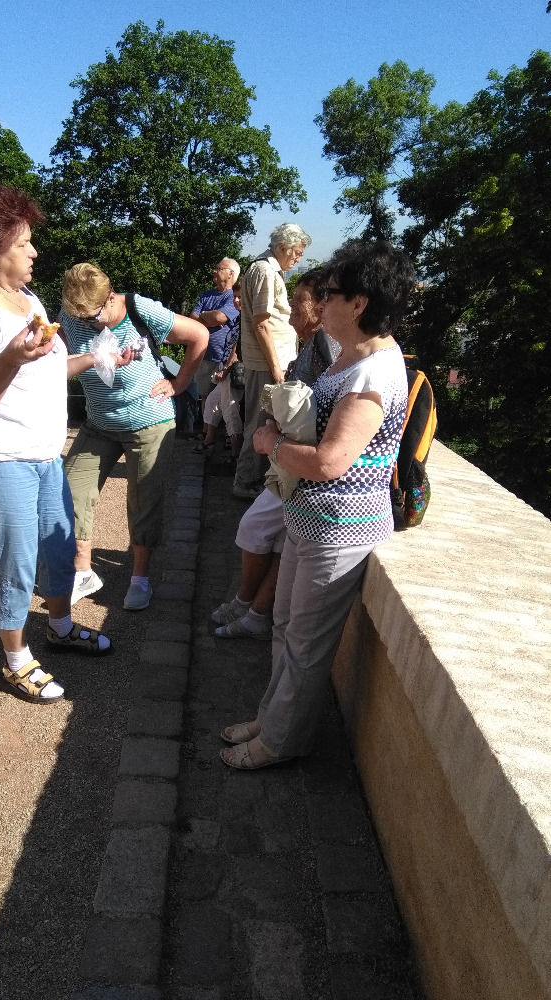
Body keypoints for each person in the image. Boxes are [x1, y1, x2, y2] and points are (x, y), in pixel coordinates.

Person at [221, 240, 412, 768]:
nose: (318, 301)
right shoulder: (350, 356)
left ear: (360, 303)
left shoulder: (373, 375)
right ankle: (272, 718)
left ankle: (280, 742)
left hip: (340, 530)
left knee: (305, 645)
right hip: (310, 521)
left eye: (329, 293)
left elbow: (331, 462)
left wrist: (271, 444)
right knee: (284, 626)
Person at [0, 182, 127, 704]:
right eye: (23, 243)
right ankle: (16, 659)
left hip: (44, 454)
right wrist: (11, 357)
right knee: (18, 561)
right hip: (0, 457)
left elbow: (43, 372)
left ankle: (59, 628)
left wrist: (97, 359)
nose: (34, 252)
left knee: (60, 550)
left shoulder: (29, 301)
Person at [60, 263, 208, 611]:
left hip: (149, 421)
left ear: (110, 298)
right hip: (99, 422)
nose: (86, 323)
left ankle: (140, 579)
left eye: (93, 316)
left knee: (144, 500)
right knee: (71, 491)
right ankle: (82, 573)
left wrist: (179, 383)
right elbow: (60, 361)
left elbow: (199, 335)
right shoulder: (72, 316)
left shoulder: (139, 309)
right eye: (80, 317)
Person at [212, 268, 338, 638]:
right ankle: (255, 614)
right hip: (293, 460)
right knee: (281, 542)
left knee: (254, 528)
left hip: (300, 465)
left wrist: (277, 436)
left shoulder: (327, 345)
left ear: (322, 306)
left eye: (299, 300)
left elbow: (325, 408)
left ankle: (245, 604)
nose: (291, 308)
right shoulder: (314, 343)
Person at [233, 222, 311, 500]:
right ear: (283, 247)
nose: (298, 258)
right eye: (297, 252)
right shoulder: (265, 271)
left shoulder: (265, 269)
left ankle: (252, 479)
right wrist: (276, 367)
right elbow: (261, 323)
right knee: (260, 422)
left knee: (263, 420)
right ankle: (246, 481)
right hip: (267, 363)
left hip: (268, 360)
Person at [194, 280, 243, 462]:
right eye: (235, 297)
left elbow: (236, 349)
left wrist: (227, 369)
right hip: (226, 367)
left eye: (240, 297)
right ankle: (210, 440)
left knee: (230, 408)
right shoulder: (239, 318)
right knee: (212, 402)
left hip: (236, 370)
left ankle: (235, 452)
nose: (236, 301)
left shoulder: (246, 320)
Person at [190, 258, 240, 415]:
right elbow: (192, 318)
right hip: (204, 354)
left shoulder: (234, 297)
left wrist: (204, 315)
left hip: (222, 358)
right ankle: (204, 427)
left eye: (219, 269)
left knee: (221, 400)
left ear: (230, 274)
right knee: (204, 397)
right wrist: (210, 318)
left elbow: (220, 317)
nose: (214, 271)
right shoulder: (207, 294)